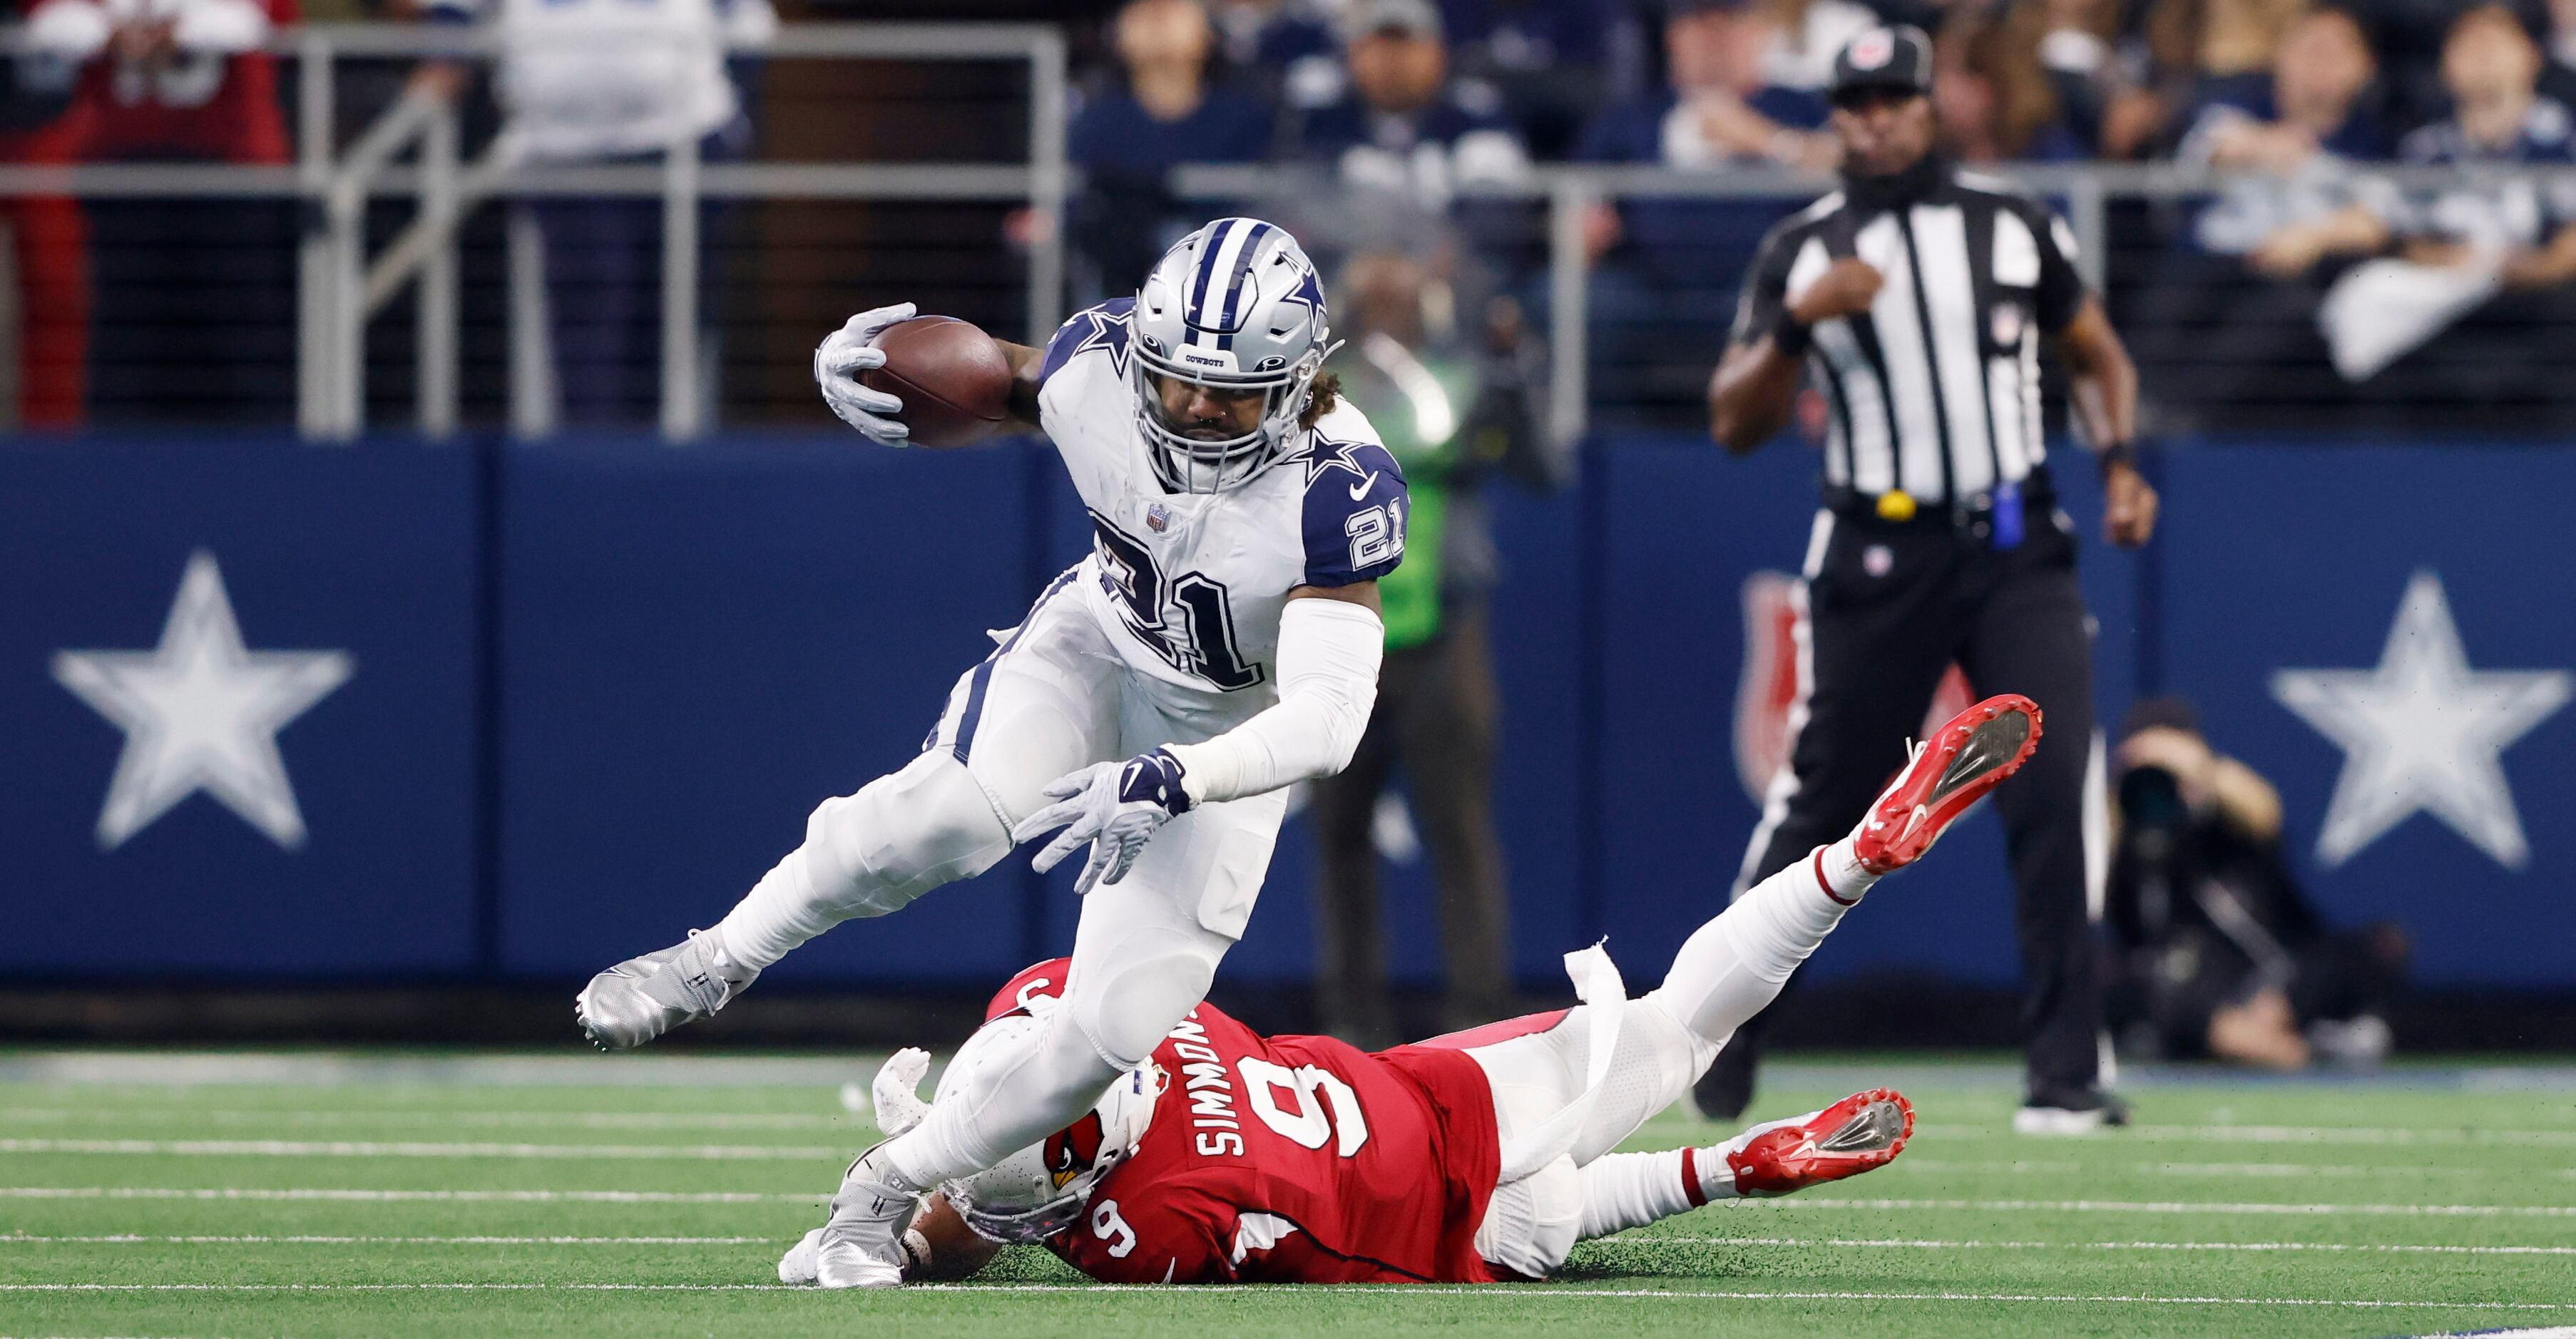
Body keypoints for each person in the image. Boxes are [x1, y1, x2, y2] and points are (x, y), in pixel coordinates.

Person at [577, 217, 1408, 1290]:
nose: (1198, 409)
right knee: (947, 817)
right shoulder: (1101, 365)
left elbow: (1330, 720)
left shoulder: (1340, 488)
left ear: (1301, 382)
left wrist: (1173, 778)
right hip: (1100, 645)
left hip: (1224, 730)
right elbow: (1004, 380)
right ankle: (713, 958)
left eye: (1233, 391)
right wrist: (867, 376)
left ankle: (881, 1193)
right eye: (1179, 383)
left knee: (1110, 1030)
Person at [777, 694, 2040, 1286]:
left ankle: (1715, 1174)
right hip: (1432, 1088)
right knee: (1677, 1018)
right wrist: (925, 1167)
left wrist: (891, 1213)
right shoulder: (1081, 998)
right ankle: (1847, 862)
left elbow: (983, 1225)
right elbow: (1036, 1080)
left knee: (1562, 1215)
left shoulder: (1145, 1229)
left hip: (1439, 1224)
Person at [1700, 25, 2159, 1134]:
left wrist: (2119, 460)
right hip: (1876, 550)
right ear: (1834, 116)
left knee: (2055, 794)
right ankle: (1716, 1029)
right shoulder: (1803, 249)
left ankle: (2064, 1071)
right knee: (1824, 801)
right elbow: (1733, 421)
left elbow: (2095, 350)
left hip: (2016, 542)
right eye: (1854, 103)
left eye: (1894, 99)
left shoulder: (2010, 224)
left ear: (1928, 106)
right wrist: (1801, 324)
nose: (1876, 119)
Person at [1307, 242, 1560, 1046]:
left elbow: (1541, 470)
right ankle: (1349, 1030)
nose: (1386, 299)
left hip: (1444, 632)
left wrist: (1515, 376)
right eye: (1370, 289)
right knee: (1339, 837)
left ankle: (1478, 1023)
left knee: (1460, 829)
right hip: (1333, 630)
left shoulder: (1468, 376)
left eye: (1401, 288)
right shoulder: (1311, 387)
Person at [414, 0, 776, 426]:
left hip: (683, 139)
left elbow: (748, 28)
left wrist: (735, 132)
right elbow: (453, 12)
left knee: (671, 330)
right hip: (560, 149)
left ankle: (658, 470)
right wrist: (445, 56)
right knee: (589, 332)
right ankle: (592, 471)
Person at [2103, 699, 2408, 1070]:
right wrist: (2129, 792)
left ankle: (2269, 1036)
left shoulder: (2227, 802)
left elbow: (2265, 811)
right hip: (2197, 980)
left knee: (2378, 945)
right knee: (2134, 978)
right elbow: (2098, 869)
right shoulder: (2123, 816)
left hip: (2278, 970)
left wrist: (2196, 770)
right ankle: (2286, 1048)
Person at [31, 0, 296, 424]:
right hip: (123, 169)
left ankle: (266, 472)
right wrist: (112, 35)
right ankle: (116, 476)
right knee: (125, 342)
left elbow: (265, 18)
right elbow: (48, 18)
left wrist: (178, 31)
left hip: (231, 173)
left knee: (244, 341)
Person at [1575, 0, 1831, 424]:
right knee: (1575, 300)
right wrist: (1581, 237)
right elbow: (1579, 203)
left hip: (1763, 286)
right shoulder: (1633, 117)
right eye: (1699, 22)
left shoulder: (1798, 108)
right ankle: (1604, 445)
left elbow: (1850, 165)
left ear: (1760, 32)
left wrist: (1764, 139)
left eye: (1729, 21)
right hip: (1651, 292)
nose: (1714, 37)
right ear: (1673, 35)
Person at [1070, 0, 1277, 298]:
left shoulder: (1247, 117)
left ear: (1208, 37)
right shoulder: (1096, 120)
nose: (1160, 19)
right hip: (1120, 280)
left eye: (1176, 9)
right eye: (1144, 10)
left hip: (1232, 277)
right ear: (1118, 38)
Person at [1291, 0, 1531, 215]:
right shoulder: (1324, 122)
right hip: (1343, 260)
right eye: (1381, 47)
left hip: (1457, 259)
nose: (1393, 61)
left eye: (1408, 45)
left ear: (1439, 54)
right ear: (1353, 55)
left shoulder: (1476, 115)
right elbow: (1298, 207)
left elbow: (1501, 217)